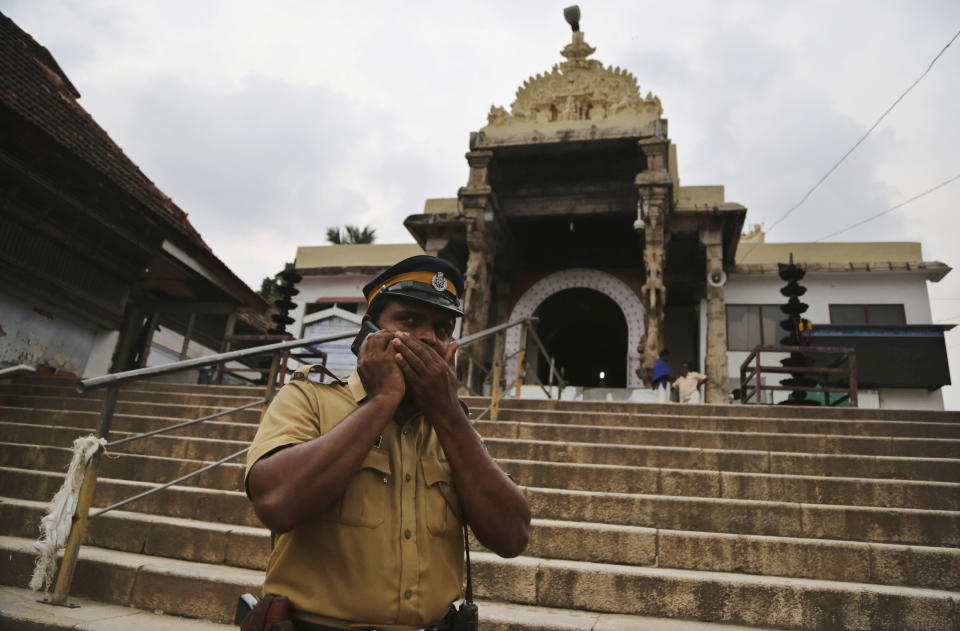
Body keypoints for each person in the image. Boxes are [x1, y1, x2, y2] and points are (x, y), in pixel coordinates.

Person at [244, 255, 531, 631]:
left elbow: (513, 537)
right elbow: (276, 504)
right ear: (367, 332)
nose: (429, 337)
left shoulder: (451, 429)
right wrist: (381, 401)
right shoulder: (309, 399)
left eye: (443, 328)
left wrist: (448, 415)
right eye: (409, 320)